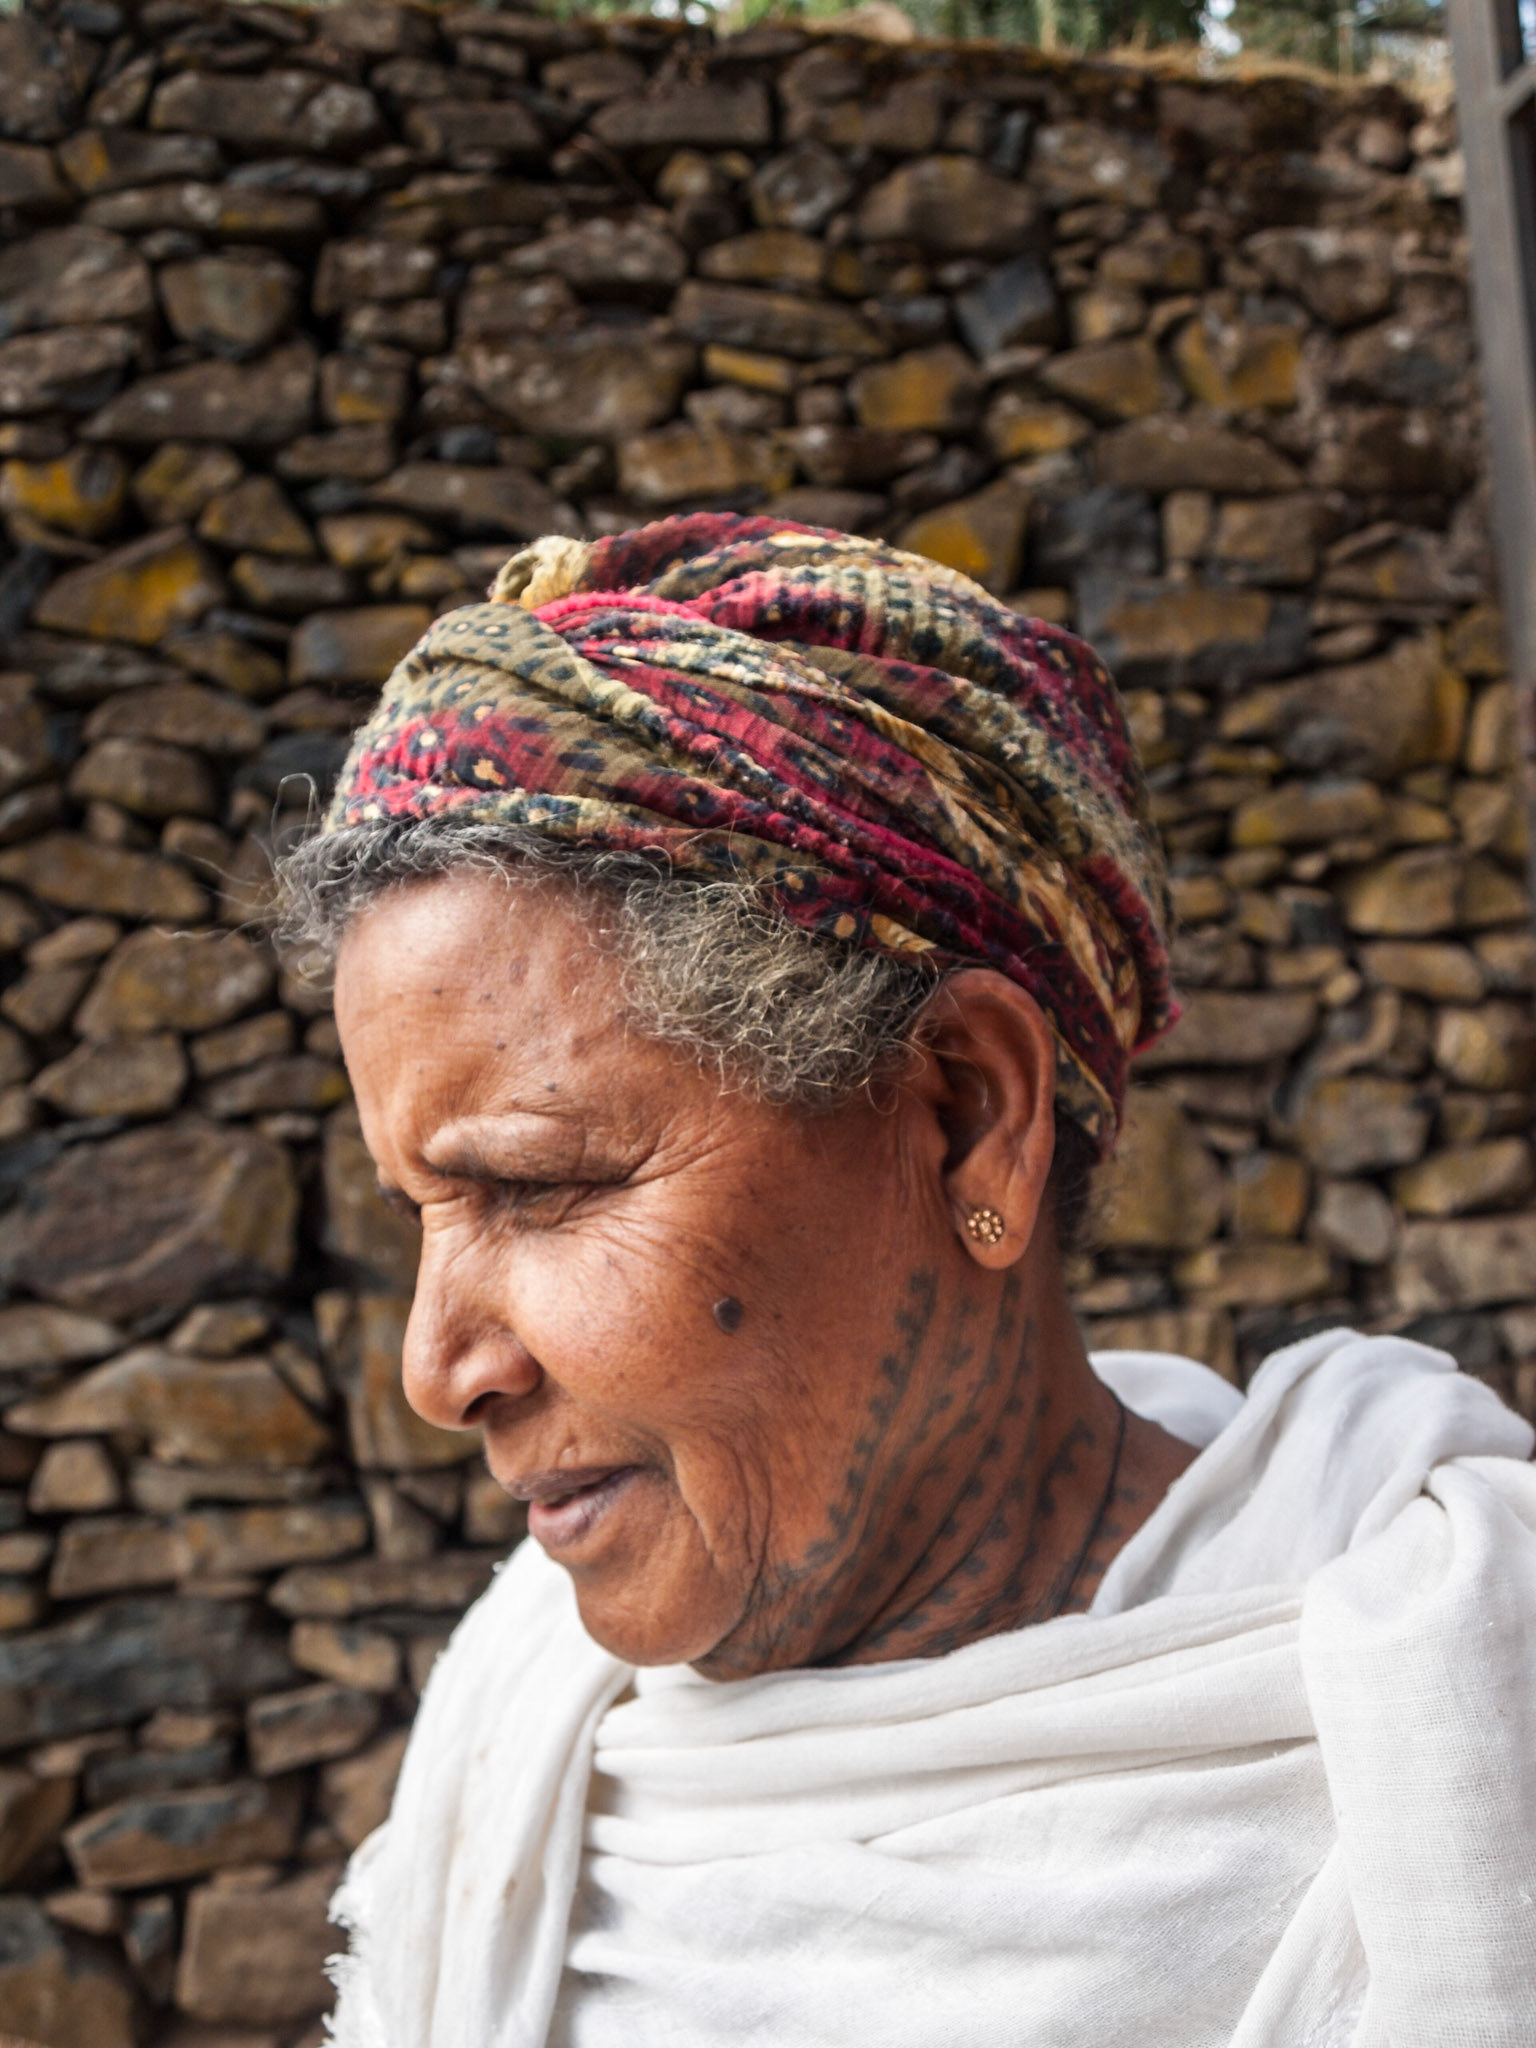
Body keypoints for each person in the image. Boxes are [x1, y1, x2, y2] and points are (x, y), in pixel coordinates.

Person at [282, 515, 1536, 2048]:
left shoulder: (1459, 1714)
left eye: (536, 1187)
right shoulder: (525, 1735)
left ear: (964, 1119)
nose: (437, 1369)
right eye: (424, 1208)